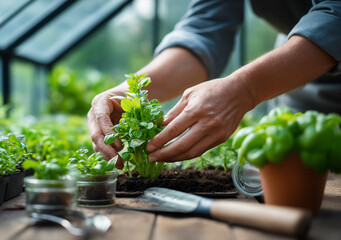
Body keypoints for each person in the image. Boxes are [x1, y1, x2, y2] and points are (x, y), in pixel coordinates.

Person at [88, 0, 341, 168]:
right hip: (296, 82)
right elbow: (206, 29)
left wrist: (246, 88)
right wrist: (130, 92)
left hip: (298, 64)